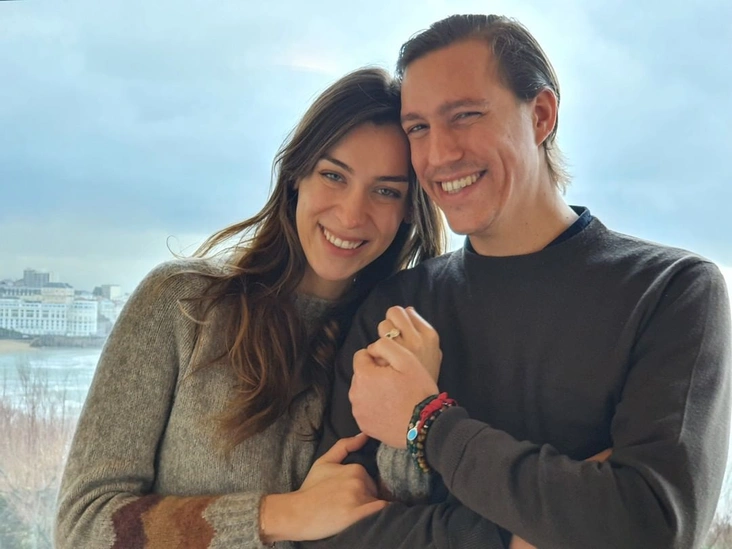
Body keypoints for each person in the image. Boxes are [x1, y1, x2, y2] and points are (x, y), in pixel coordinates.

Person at [306, 14, 732, 549]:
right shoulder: (396, 304)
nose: (439, 155)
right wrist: (531, 532)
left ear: (542, 115)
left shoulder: (671, 291)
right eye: (418, 128)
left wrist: (429, 424)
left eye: (465, 115)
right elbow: (330, 531)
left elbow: (651, 527)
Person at [55, 67, 446, 548]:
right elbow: (83, 527)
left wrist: (417, 412)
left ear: (408, 210)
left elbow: (398, 524)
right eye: (333, 176)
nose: (351, 214)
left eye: (386, 191)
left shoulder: (402, 341)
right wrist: (279, 515)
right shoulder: (181, 305)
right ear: (297, 176)